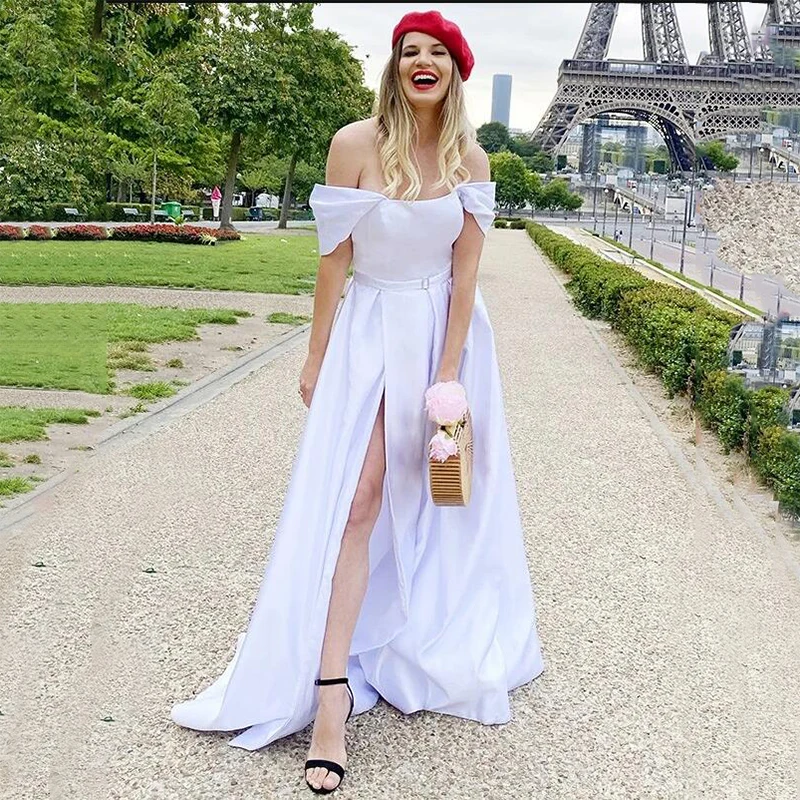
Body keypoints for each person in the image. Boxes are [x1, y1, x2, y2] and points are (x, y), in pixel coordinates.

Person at [171, 9, 545, 795]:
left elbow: (466, 276)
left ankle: (410, 635)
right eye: (410, 51)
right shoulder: (353, 145)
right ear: (395, 67)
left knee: (442, 495)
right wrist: (316, 356)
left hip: (447, 339)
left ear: (455, 72)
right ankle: (330, 696)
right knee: (360, 500)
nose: (421, 62)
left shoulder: (471, 160)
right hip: (371, 335)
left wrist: (449, 379)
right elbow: (333, 264)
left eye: (437, 53)